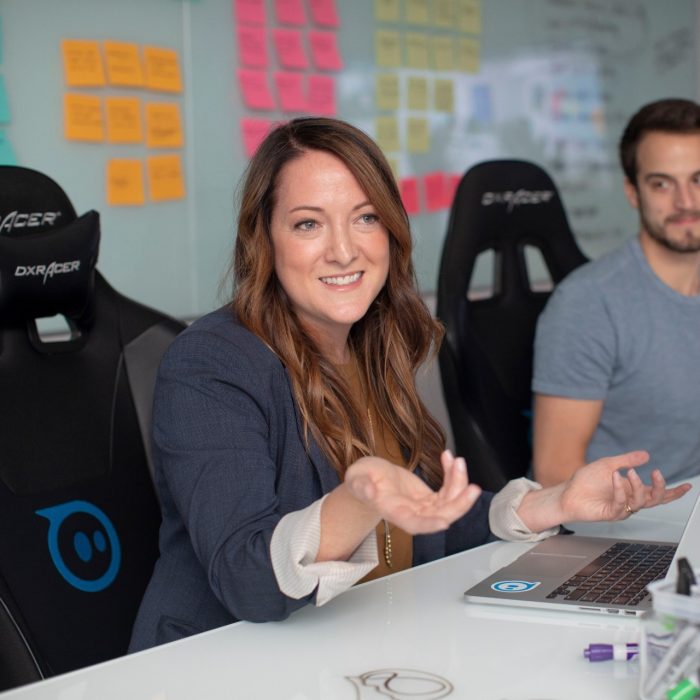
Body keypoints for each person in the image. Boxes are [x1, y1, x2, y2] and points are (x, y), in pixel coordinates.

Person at [129, 117, 690, 652]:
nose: (344, 250)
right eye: (308, 223)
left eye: (365, 217)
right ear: (264, 239)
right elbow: (246, 579)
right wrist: (359, 499)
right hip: (214, 665)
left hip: (360, 641)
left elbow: (431, 520)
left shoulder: (370, 346)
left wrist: (552, 502)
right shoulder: (212, 363)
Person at [532, 98, 700, 487]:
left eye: (698, 179)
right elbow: (555, 474)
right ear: (632, 192)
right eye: (662, 184)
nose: (685, 202)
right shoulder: (587, 304)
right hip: (628, 531)